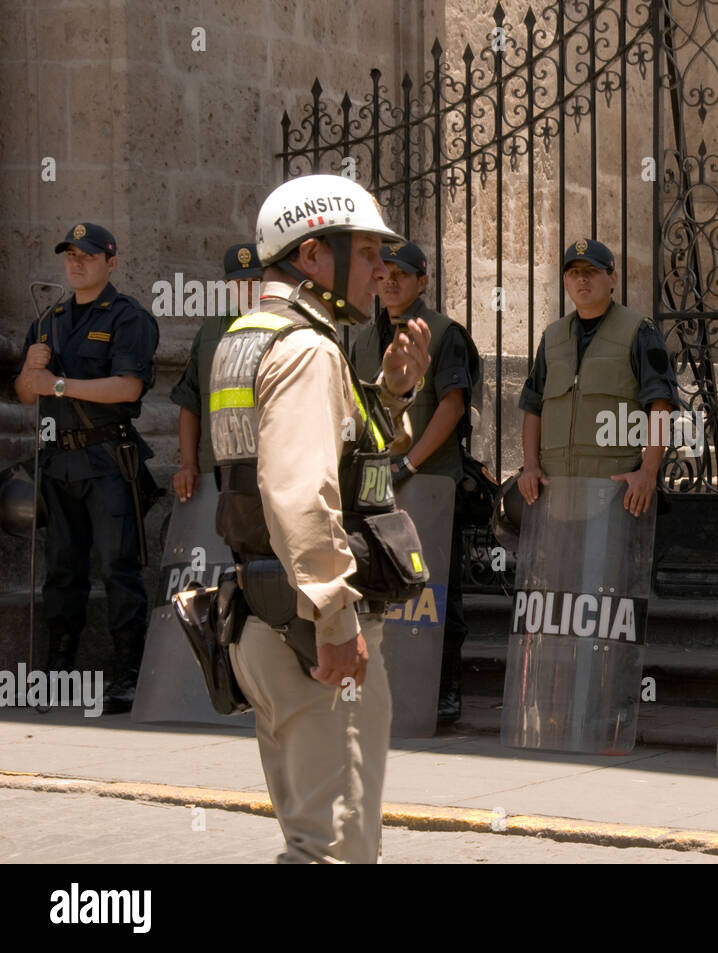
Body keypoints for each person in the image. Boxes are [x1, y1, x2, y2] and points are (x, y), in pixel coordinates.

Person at [210, 174, 431, 863]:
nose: (381, 271)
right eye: (366, 253)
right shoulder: (307, 348)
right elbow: (301, 494)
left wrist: (393, 394)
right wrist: (335, 618)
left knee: (314, 839)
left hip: (262, 617)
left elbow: (333, 457)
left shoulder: (248, 337)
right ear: (312, 255)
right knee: (336, 849)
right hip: (309, 630)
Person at [15, 223, 159, 713]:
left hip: (107, 461)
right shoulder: (48, 319)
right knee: (62, 570)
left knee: (119, 568)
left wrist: (55, 384)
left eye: (88, 256)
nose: (77, 263)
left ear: (110, 263)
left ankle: (129, 674)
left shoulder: (127, 317)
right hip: (58, 461)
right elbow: (23, 394)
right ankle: (58, 674)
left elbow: (127, 388)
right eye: (70, 255)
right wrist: (29, 373)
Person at [347, 240, 480, 726]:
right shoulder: (363, 339)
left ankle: (445, 692)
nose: (390, 282)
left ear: (423, 281)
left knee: (437, 593)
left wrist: (410, 465)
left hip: (430, 485)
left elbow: (452, 405)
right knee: (379, 591)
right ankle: (387, 691)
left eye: (403, 275)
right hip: (374, 487)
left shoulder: (443, 333)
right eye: (384, 274)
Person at [517, 238, 677, 510]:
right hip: (555, 495)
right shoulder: (552, 337)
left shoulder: (640, 331)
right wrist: (530, 467)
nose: (582, 280)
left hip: (615, 497)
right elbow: (533, 406)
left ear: (612, 279)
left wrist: (648, 472)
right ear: (566, 282)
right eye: (574, 273)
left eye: (591, 271)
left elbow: (660, 403)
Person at [170, 242, 261, 502]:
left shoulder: (287, 328)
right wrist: (188, 464)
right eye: (240, 282)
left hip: (268, 472)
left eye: (257, 280)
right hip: (214, 471)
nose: (250, 289)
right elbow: (190, 401)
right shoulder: (210, 331)